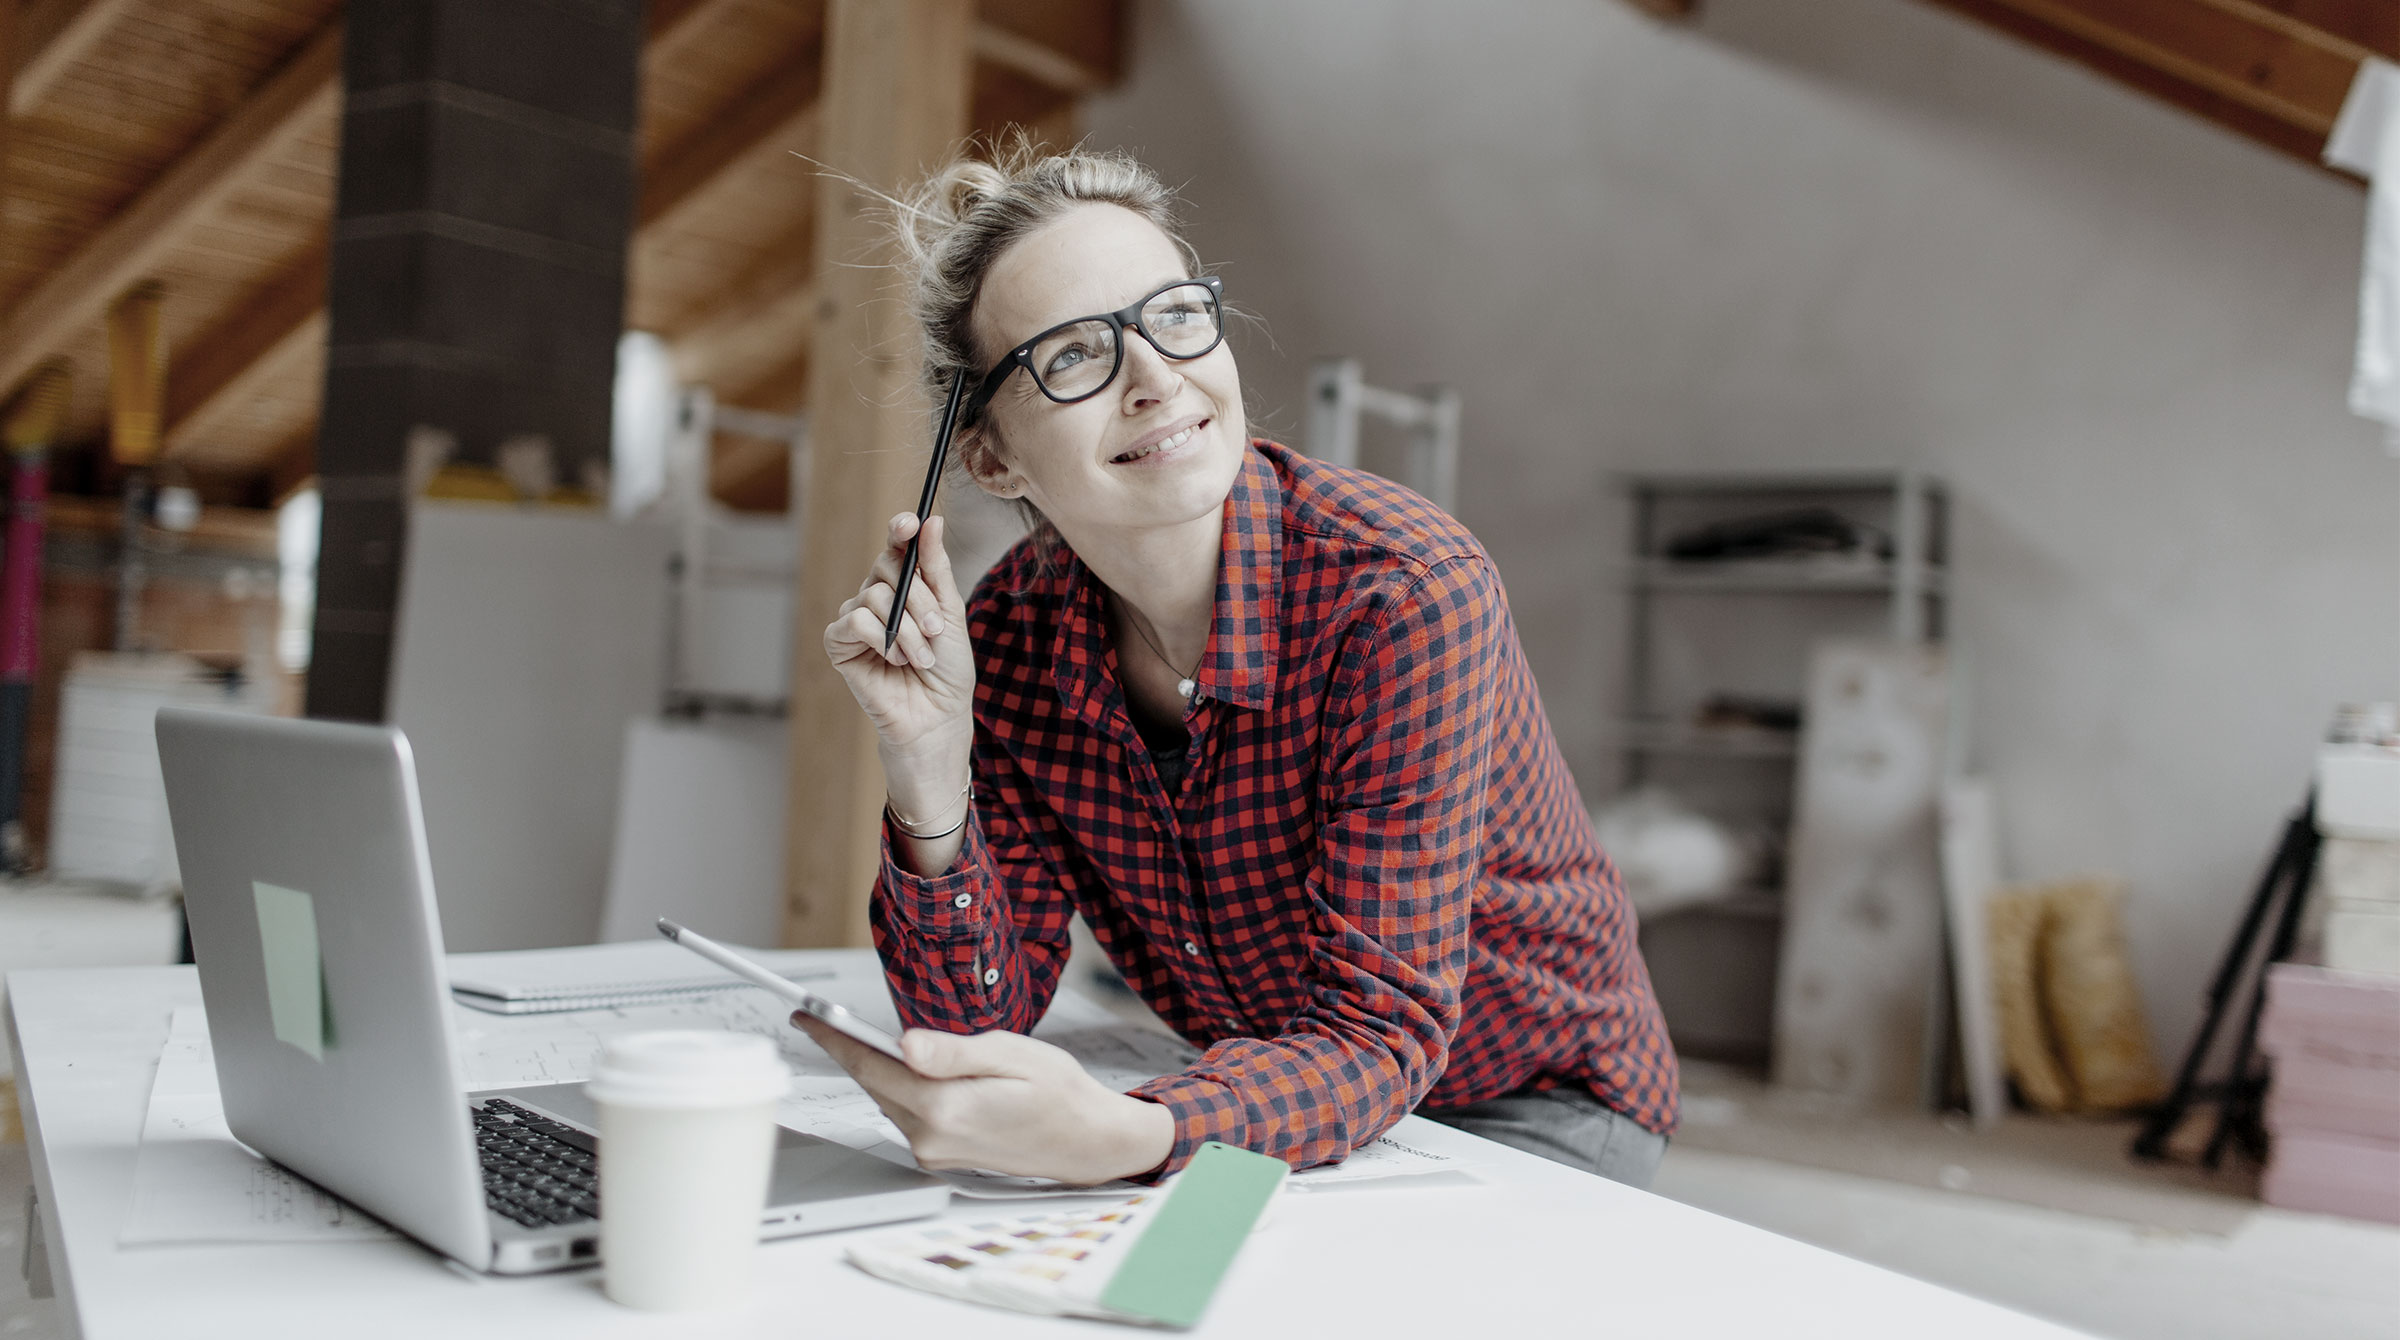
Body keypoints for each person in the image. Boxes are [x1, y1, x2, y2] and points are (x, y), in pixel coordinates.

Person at [794, 143, 1677, 1189]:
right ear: (990, 456)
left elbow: (1377, 1031)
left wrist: (1129, 1133)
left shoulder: (1401, 590)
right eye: (1075, 355)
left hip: (1529, 1102)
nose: (1156, 378)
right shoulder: (1017, 637)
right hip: (1265, 1095)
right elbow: (972, 1026)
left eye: (1173, 314)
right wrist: (931, 764)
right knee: (1129, 1300)